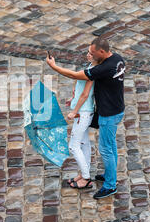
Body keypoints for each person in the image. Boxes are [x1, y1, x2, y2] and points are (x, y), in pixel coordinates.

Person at [46, 36, 125, 199]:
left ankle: (110, 185)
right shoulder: (117, 59)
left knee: (106, 149)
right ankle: (111, 175)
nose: (89, 54)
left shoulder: (103, 69)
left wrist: (54, 66)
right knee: (111, 146)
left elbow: (75, 75)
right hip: (117, 109)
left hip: (109, 114)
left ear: (101, 52)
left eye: (92, 52)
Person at [65, 52, 98, 189]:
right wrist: (72, 100)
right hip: (84, 111)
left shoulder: (92, 72)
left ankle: (86, 177)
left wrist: (74, 111)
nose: (87, 55)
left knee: (73, 146)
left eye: (91, 53)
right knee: (84, 143)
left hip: (83, 113)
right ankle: (84, 174)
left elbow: (85, 94)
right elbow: (80, 91)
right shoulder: (90, 67)